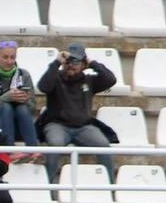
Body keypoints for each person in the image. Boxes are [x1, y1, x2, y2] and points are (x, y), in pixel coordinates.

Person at [36, 44, 117, 181]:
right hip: (57, 125)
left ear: (83, 64)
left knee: (104, 146)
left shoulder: (89, 81)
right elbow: (43, 87)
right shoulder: (55, 78)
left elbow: (110, 79)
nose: (71, 65)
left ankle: (109, 188)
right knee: (55, 146)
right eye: (68, 61)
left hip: (83, 127)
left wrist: (92, 63)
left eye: (76, 62)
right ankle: (47, 188)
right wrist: (56, 63)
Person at [0, 40, 38, 147]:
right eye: (5, 57)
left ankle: (33, 148)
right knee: (5, 107)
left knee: (22, 108)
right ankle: (7, 149)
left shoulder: (24, 75)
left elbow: (33, 108)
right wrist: (5, 98)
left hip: (21, 124)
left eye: (12, 57)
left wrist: (25, 100)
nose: (9, 61)